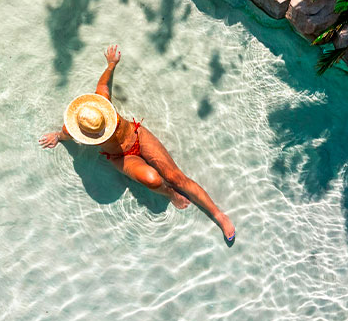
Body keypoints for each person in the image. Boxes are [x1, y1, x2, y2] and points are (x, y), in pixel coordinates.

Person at [39, 45, 236, 244]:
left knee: (176, 176)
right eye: (96, 134)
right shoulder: (74, 130)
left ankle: (219, 216)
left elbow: (104, 85)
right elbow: (65, 134)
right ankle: (170, 194)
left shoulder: (100, 104)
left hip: (137, 136)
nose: (101, 131)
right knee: (153, 180)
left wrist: (111, 64)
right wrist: (56, 136)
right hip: (121, 157)